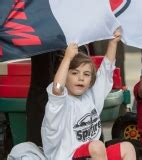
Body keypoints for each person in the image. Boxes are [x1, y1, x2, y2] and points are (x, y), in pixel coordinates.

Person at [41, 30, 136, 160]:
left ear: (91, 80)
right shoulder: (59, 103)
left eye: (86, 74)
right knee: (97, 146)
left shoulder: (91, 96)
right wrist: (67, 58)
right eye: (74, 73)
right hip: (68, 156)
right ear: (65, 77)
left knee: (127, 148)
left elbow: (106, 70)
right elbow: (57, 89)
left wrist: (113, 43)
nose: (81, 78)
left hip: (93, 154)